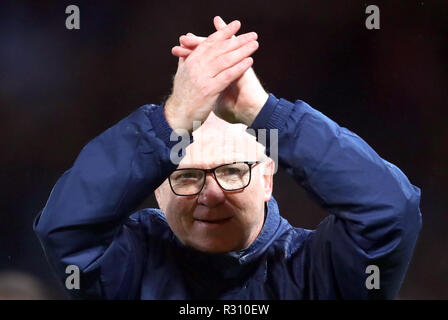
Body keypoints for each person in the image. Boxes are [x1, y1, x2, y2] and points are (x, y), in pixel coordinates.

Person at [34, 17, 422, 299]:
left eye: (233, 170)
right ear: (156, 188)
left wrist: (265, 112)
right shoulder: (130, 266)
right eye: (186, 177)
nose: (212, 194)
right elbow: (65, 228)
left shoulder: (320, 273)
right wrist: (170, 121)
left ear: (268, 177)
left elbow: (389, 212)